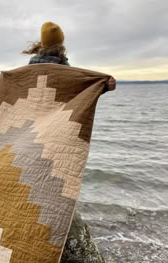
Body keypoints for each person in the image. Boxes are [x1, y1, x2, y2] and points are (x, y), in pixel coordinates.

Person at [22, 21, 112, 262]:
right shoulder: (68, 72)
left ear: (41, 44)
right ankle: (54, 231)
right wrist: (102, 84)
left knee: (35, 176)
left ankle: (34, 224)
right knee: (57, 177)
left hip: (30, 135)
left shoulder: (27, 71)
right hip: (58, 135)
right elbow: (84, 88)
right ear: (61, 44)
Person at [22, 21, 116, 92]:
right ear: (61, 43)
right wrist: (105, 86)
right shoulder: (62, 64)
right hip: (56, 111)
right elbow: (79, 85)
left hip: (36, 111)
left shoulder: (32, 63)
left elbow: (23, 84)